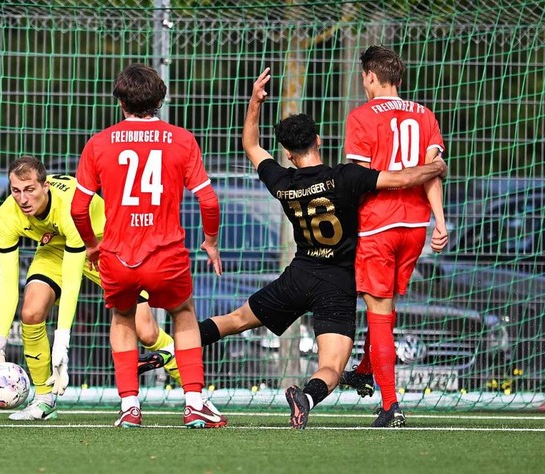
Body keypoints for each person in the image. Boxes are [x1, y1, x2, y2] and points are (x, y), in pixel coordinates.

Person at [140, 67, 446, 429]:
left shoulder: (281, 181)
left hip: (298, 276)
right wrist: (434, 166)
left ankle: (170, 352)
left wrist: (255, 102)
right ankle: (305, 397)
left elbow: (251, 145)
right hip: (337, 282)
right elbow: (401, 177)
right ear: (318, 139)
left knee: (233, 321)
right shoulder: (345, 177)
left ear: (285, 152)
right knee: (331, 366)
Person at [70, 63, 227, 428]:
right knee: (184, 313)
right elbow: (209, 202)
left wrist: (92, 246)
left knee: (122, 318)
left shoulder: (99, 143)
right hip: (166, 254)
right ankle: (194, 402)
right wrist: (212, 242)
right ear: (160, 99)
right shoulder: (182, 140)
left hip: (118, 255)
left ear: (120, 101)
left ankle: (129, 406)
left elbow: (79, 209)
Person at [0, 156, 180, 421]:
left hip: (106, 244)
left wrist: (62, 342)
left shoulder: (70, 207)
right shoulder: (5, 216)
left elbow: (72, 281)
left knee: (146, 331)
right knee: (32, 312)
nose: (23, 199)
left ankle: (195, 393)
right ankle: (44, 399)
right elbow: (8, 282)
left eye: (30, 190)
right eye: (16, 190)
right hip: (57, 248)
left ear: (45, 186)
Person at [341, 45, 448, 427]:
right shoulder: (425, 115)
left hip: (378, 225)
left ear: (369, 76)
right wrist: (440, 221)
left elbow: (358, 180)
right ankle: (367, 367)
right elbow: (433, 171)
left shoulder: (361, 117)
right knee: (385, 308)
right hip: (415, 227)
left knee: (379, 310)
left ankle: (390, 405)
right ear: (398, 78)